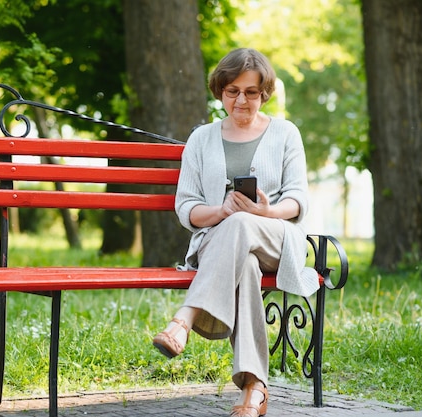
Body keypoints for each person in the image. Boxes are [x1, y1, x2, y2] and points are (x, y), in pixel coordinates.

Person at [152, 48, 319, 417]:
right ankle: (254, 390)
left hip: (277, 237)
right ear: (220, 91)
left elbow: (297, 198)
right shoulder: (201, 139)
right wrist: (221, 210)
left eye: (251, 92)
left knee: (244, 223)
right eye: (232, 91)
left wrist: (265, 211)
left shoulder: (286, 133)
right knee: (243, 263)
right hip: (221, 244)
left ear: (264, 93)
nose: (241, 100)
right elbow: (187, 208)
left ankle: (184, 319)